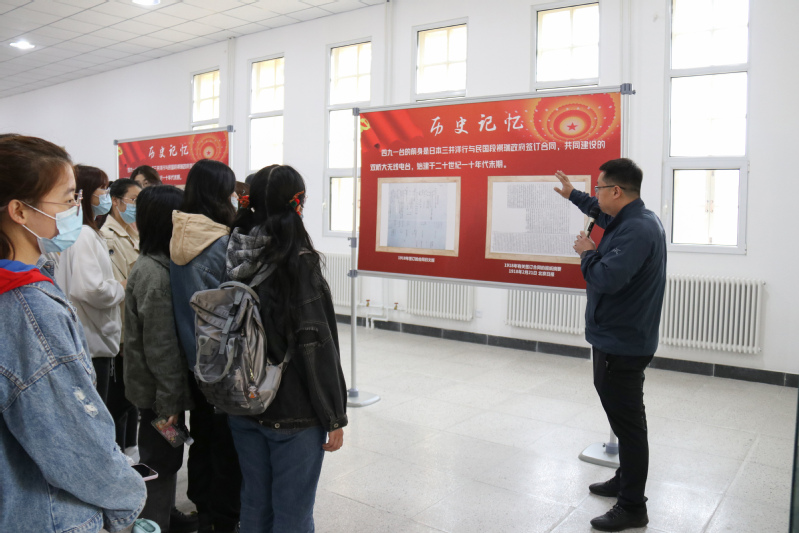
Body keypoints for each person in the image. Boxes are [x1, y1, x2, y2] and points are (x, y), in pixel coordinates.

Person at [0, 135, 146, 532]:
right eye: (67, 199)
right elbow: (75, 442)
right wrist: (128, 500)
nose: (75, 209)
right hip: (48, 513)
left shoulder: (27, 285)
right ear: (19, 210)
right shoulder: (29, 310)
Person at [226, 164, 348, 532]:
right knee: (293, 514)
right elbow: (316, 346)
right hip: (292, 411)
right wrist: (334, 415)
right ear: (297, 204)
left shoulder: (233, 251)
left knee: (254, 503)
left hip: (242, 402)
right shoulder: (298, 263)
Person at [554, 159, 666, 532]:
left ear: (616, 191)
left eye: (600, 188)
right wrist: (573, 195)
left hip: (622, 343)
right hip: (620, 337)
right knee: (622, 419)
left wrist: (587, 251)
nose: (596, 194)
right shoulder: (631, 219)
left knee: (629, 427)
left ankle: (632, 506)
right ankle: (624, 480)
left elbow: (605, 278)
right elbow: (598, 212)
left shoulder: (637, 230)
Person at [170, 158, 241, 533]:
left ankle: (202, 505)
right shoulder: (221, 243)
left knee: (201, 434)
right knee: (225, 443)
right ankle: (223, 518)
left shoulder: (178, 234)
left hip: (190, 357)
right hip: (221, 362)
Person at [125, 185, 198, 533]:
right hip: (159, 396)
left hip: (156, 392)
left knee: (166, 456)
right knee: (160, 462)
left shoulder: (153, 265)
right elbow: (160, 348)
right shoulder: (155, 277)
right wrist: (170, 402)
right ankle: (152, 524)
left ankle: (164, 515)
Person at [55, 165, 124, 404]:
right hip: (92, 343)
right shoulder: (83, 235)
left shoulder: (87, 232)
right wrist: (121, 287)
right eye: (102, 189)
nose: (106, 195)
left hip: (93, 341)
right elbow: (91, 289)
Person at [101, 177, 142, 457]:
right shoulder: (107, 237)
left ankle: (130, 451)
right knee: (118, 402)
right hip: (121, 333)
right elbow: (119, 286)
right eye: (133, 200)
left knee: (131, 402)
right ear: (116, 201)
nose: (137, 206)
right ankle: (116, 455)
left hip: (135, 330)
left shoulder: (133, 232)